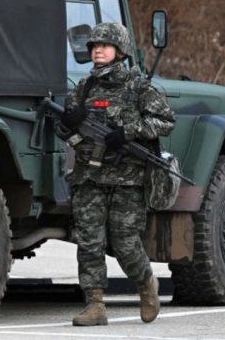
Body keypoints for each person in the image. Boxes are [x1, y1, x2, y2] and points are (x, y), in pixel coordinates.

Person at [56, 22, 175, 326]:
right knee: (89, 242)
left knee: (124, 242)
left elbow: (165, 121)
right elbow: (63, 132)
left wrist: (129, 132)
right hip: (89, 178)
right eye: (94, 45)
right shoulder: (83, 89)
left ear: (119, 52)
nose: (97, 49)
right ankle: (95, 304)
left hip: (127, 179)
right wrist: (70, 123)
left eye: (105, 46)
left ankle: (147, 284)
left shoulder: (139, 88)